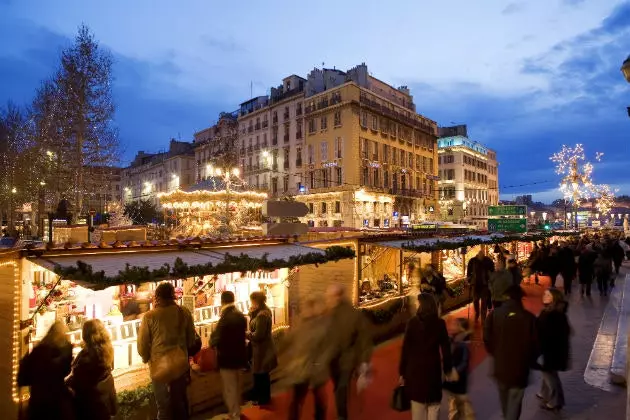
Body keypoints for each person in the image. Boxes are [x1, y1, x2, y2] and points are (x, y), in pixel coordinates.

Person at [138, 282, 197, 420]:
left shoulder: (149, 316)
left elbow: (142, 346)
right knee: (180, 403)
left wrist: (147, 358)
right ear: (173, 295)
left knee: (163, 407)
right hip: (180, 365)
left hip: (159, 367)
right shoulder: (184, 312)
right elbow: (191, 340)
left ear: (157, 296)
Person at [484, 286, 538, 420]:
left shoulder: (494, 314)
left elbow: (487, 338)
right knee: (515, 401)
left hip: (501, 366)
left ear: (506, 297)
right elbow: (537, 344)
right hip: (520, 368)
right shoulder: (529, 318)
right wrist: (529, 359)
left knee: (504, 398)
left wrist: (495, 352)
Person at [399, 293, 454, 420]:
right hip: (433, 370)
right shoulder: (440, 324)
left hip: (415, 371)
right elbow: (446, 349)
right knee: (434, 407)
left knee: (418, 409)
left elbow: (406, 349)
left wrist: (402, 372)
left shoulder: (412, 323)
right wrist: (448, 369)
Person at [326, 284, 373, 420]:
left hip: (347, 358)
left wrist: (364, 360)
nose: (328, 299)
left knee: (341, 387)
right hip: (333, 359)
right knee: (338, 386)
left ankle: (342, 415)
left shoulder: (351, 314)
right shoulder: (329, 313)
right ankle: (342, 411)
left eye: (330, 297)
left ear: (338, 297)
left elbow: (363, 337)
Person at [285, 296, 333, 420]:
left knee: (312, 400)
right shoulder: (305, 324)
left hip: (309, 369)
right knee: (305, 399)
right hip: (305, 369)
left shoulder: (312, 325)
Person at [18, 321, 74, 420]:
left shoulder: (38, 350)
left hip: (38, 401)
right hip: (56, 402)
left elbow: (23, 377)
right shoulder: (64, 350)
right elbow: (66, 371)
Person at [67, 319, 117, 420]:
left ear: (85, 336)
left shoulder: (86, 361)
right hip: (105, 407)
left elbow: (75, 384)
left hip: (90, 411)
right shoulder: (108, 351)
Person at [211, 291, 248, 420]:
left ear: (222, 302)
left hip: (227, 359)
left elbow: (214, 340)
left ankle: (234, 415)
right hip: (240, 357)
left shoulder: (224, 319)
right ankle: (238, 412)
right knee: (238, 388)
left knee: (230, 389)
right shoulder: (241, 316)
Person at [536, 288, 570, 412]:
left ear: (554, 297)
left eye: (548, 294)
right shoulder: (551, 311)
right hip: (550, 349)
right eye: (544, 293)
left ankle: (556, 401)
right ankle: (543, 393)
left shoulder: (554, 314)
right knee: (548, 372)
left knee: (550, 375)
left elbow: (549, 333)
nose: (544, 296)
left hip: (551, 350)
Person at [247, 291, 278, 406]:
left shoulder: (262, 316)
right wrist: (252, 313)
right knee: (261, 374)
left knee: (261, 374)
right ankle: (261, 397)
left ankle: (263, 398)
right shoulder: (261, 312)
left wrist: (246, 334)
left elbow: (258, 335)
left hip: (262, 349)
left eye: (252, 301)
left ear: (256, 301)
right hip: (261, 349)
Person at [443, 318, 475, 420]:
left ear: (460, 328)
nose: (451, 326)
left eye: (455, 325)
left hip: (459, 379)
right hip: (451, 379)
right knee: (454, 401)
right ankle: (456, 414)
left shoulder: (463, 343)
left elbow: (464, 362)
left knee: (462, 402)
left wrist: (455, 371)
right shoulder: (454, 339)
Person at [466, 250, 495, 325]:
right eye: (480, 255)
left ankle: (483, 319)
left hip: (484, 285)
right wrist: (468, 279)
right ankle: (477, 312)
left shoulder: (488, 260)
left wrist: (491, 279)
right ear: (477, 255)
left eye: (482, 255)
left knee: (484, 303)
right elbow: (469, 272)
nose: (481, 256)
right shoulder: (472, 261)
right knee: (475, 301)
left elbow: (492, 270)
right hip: (475, 285)